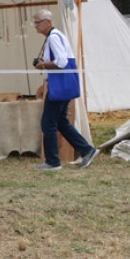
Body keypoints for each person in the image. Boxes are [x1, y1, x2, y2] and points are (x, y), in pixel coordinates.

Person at [32, 9, 99, 171]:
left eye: (37, 22)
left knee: (48, 123)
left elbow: (61, 62)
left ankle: (53, 162)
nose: (35, 26)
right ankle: (87, 150)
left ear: (48, 22)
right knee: (61, 122)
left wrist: (42, 65)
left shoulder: (53, 38)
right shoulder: (58, 36)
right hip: (65, 86)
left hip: (59, 87)